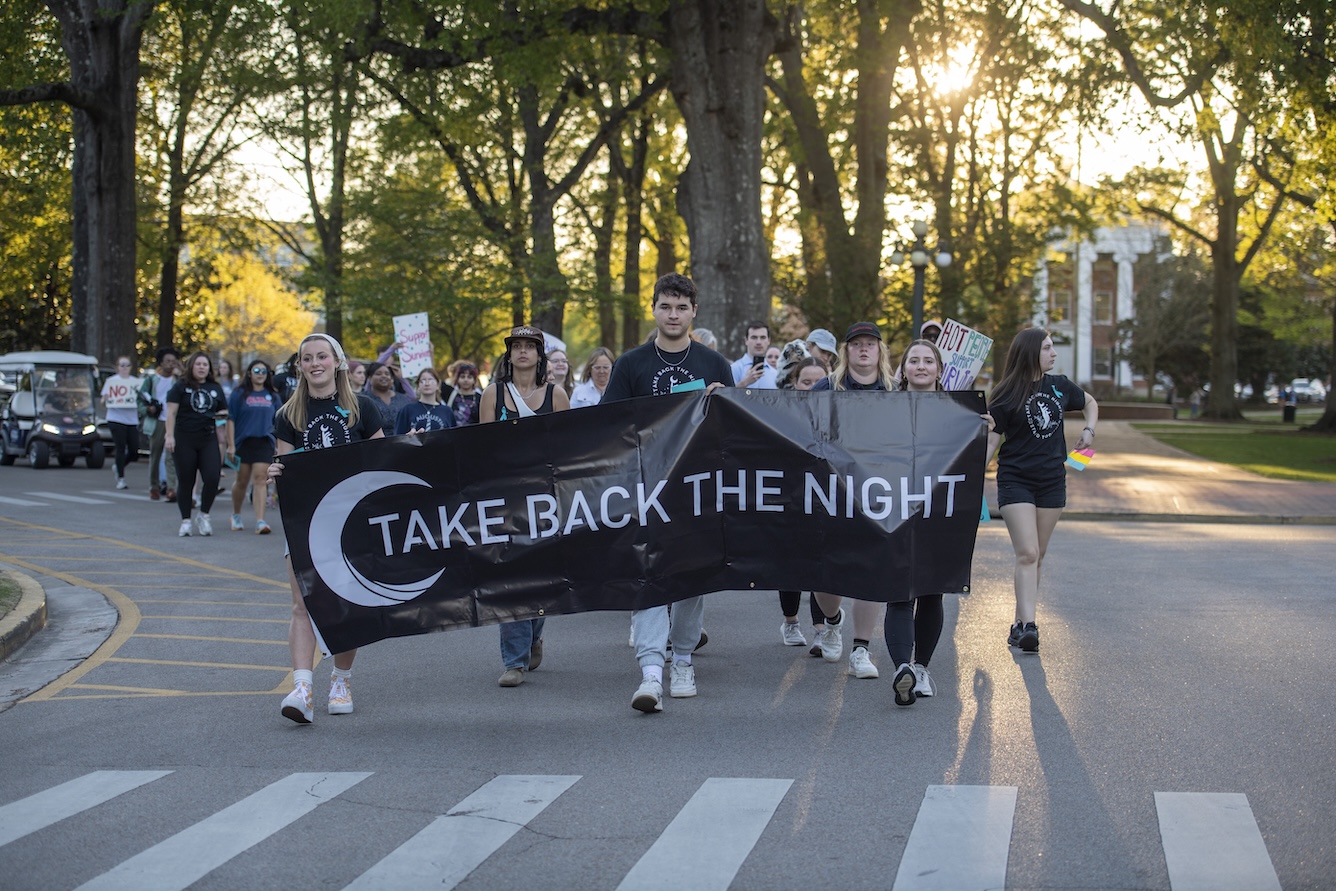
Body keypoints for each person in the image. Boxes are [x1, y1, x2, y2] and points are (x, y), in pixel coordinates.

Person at [602, 272, 735, 713]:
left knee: (692, 579)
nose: (673, 314)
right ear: (654, 309)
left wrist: (723, 402)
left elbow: (732, 432)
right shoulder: (631, 364)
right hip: (644, 488)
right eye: (666, 306)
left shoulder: (714, 364)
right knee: (647, 577)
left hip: (696, 488)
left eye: (681, 307)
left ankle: (683, 659)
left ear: (694, 311)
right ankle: (650, 673)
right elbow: (609, 427)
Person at [268, 333, 385, 724]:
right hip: (303, 520)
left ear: (338, 361)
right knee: (302, 604)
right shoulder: (288, 414)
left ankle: (341, 680)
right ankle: (302, 689)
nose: (315, 363)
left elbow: (384, 463)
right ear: (299, 366)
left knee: (345, 605)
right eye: (307, 358)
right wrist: (274, 473)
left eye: (322, 356)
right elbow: (287, 473)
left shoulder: (363, 409)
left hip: (351, 521)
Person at [884, 339, 993, 705]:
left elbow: (976, 466)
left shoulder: (959, 413)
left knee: (931, 591)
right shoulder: (882, 409)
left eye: (927, 360)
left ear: (939, 370)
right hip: (894, 510)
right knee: (898, 592)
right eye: (913, 360)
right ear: (903, 370)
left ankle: (922, 667)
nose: (920, 366)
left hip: (938, 514)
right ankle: (903, 668)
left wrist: (985, 435)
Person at [985, 327, 1098, 654]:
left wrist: (1089, 431)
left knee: (1038, 555)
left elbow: (1090, 403)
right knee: (1028, 553)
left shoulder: (1060, 386)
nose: (1054, 353)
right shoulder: (1005, 393)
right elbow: (991, 444)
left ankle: (1020, 622)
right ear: (1031, 351)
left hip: (1051, 481)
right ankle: (1030, 627)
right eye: (1048, 347)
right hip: (1015, 480)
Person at [479, 325, 571, 687]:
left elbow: (565, 452)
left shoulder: (556, 394)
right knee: (510, 578)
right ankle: (513, 662)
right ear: (508, 354)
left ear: (539, 354)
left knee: (541, 577)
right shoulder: (493, 394)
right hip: (505, 497)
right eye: (516, 346)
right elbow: (481, 446)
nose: (522, 352)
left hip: (545, 499)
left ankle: (534, 634)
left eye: (529, 347)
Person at [809, 322, 898, 680]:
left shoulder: (895, 392)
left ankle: (861, 649)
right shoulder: (826, 387)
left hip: (877, 492)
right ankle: (832, 621)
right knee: (824, 574)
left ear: (880, 351)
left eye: (870, 344)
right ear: (847, 351)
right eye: (856, 344)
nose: (864, 350)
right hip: (831, 490)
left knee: (871, 571)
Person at [164, 352, 228, 537]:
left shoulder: (214, 387)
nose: (202, 367)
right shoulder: (180, 387)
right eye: (198, 364)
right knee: (186, 480)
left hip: (207, 438)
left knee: (212, 477)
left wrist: (221, 416)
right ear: (191, 366)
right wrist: (169, 436)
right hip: (184, 438)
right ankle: (185, 520)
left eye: (205, 365)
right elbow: (171, 413)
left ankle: (204, 515)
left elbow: (223, 409)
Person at [225, 360, 281, 534]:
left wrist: (278, 445)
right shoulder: (239, 394)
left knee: (260, 479)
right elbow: (230, 419)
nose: (260, 374)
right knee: (242, 481)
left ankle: (260, 521)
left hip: (264, 442)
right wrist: (231, 445)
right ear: (249, 373)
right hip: (243, 442)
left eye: (264, 371)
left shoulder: (273, 396)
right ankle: (236, 514)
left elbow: (280, 422)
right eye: (256, 370)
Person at [140, 347, 180, 502]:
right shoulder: (151, 380)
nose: (171, 365)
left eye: (173, 361)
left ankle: (171, 488)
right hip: (156, 421)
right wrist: (147, 409)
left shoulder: (177, 381)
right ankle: (154, 487)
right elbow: (140, 400)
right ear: (161, 363)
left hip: (172, 421)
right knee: (155, 456)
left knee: (171, 457)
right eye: (168, 361)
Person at [100, 356, 141, 489]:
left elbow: (141, 398)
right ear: (117, 367)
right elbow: (104, 399)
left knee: (134, 450)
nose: (124, 368)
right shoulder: (111, 382)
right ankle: (121, 479)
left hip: (131, 419)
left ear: (131, 367)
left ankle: (119, 465)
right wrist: (105, 400)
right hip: (116, 418)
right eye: (122, 365)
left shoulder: (136, 382)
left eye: (127, 365)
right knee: (120, 447)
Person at [394, 367, 457, 435]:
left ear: (438, 385)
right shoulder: (407, 410)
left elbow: (453, 438)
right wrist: (408, 437)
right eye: (423, 381)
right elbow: (398, 438)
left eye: (431, 380)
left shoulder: (447, 411)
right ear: (418, 385)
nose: (427, 384)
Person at [363, 361, 414, 436]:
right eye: (378, 374)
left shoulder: (403, 399)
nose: (384, 376)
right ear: (369, 378)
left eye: (387, 374)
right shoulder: (364, 400)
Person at [730, 320, 778, 389]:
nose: (758, 342)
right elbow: (726, 396)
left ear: (769, 341)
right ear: (746, 340)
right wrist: (744, 383)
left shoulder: (775, 374)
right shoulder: (734, 369)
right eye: (754, 337)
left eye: (763, 337)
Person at [447, 361, 482, 425]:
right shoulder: (451, 394)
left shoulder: (480, 397)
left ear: (474, 380)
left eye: (469, 377)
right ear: (457, 379)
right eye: (462, 377)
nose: (466, 380)